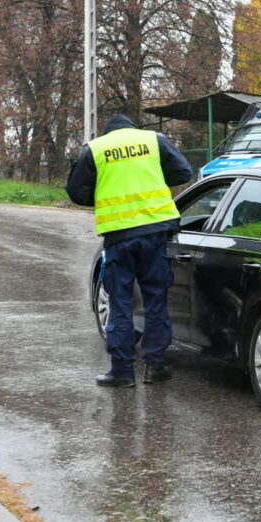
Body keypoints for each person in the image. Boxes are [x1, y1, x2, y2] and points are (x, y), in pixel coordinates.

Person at [66, 115, 192, 387]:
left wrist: (101, 191)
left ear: (109, 131)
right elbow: (184, 172)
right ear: (133, 128)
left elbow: (76, 193)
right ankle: (155, 367)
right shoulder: (153, 140)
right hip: (155, 232)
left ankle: (122, 372)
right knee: (155, 299)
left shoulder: (96, 149)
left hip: (119, 236)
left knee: (120, 302)